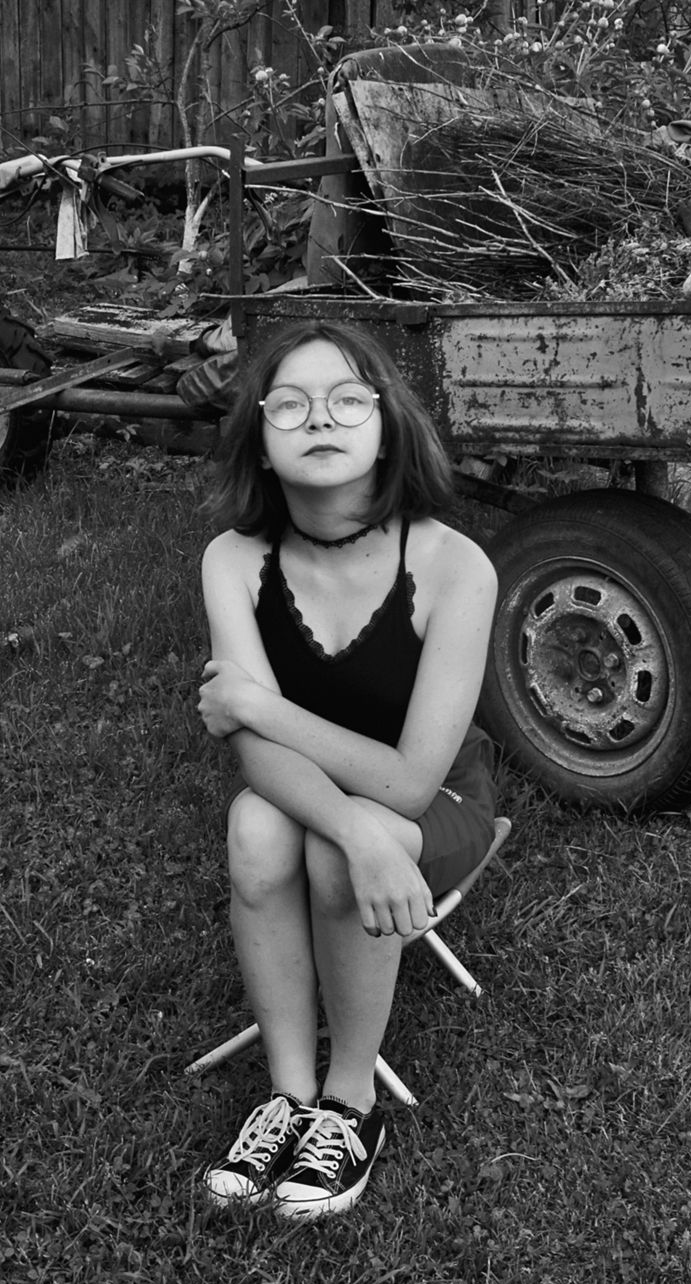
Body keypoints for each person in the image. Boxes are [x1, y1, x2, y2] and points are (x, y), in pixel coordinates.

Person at [194, 321, 499, 1220]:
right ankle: (288, 1095)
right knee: (256, 827)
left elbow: (408, 784)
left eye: (346, 400)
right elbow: (253, 757)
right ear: (260, 440)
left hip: (439, 799)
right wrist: (353, 823)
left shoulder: (453, 566)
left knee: (332, 853)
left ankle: (350, 1102)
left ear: (387, 426)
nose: (319, 419)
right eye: (289, 405)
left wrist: (258, 706)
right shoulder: (234, 560)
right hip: (306, 790)